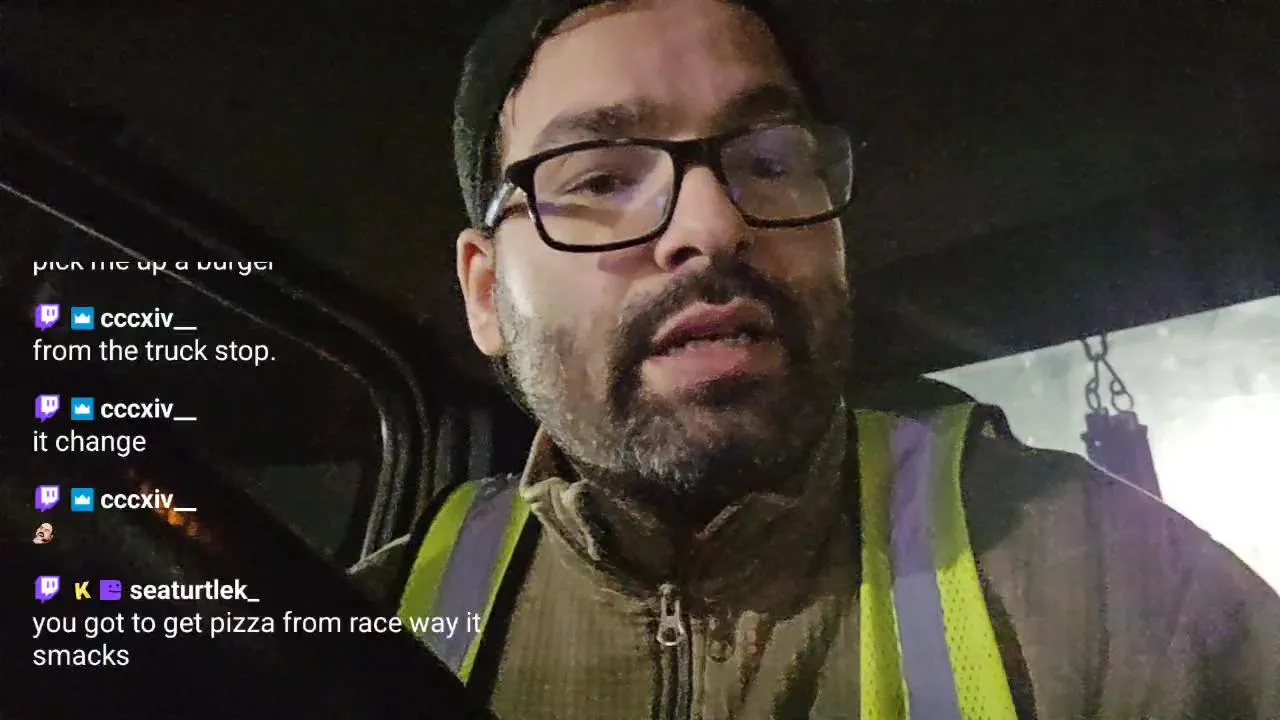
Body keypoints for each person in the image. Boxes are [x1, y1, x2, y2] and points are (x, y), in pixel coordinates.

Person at [350, 1, 1280, 717]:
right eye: (600, 177)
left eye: (768, 162)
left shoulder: (1122, 584)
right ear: (486, 294)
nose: (714, 224)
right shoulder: (348, 621)